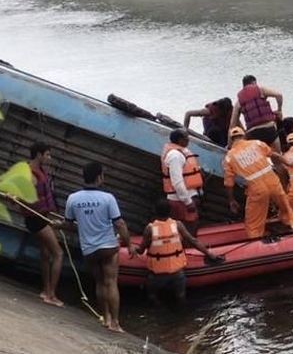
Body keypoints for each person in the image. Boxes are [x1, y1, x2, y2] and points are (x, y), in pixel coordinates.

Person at [59, 162, 135, 333]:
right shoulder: (108, 198)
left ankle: (106, 318)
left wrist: (58, 225)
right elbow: (120, 224)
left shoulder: (73, 198)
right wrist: (129, 245)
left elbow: (69, 225)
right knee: (111, 283)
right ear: (99, 177)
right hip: (108, 247)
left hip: (89, 249)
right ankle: (115, 322)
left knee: (100, 283)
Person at [134, 199, 222, 305]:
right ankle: (182, 316)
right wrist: (209, 253)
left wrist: (133, 249)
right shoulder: (177, 225)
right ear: (170, 211)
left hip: (157, 275)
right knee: (181, 297)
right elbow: (193, 241)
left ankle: (158, 311)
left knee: (152, 296)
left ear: (155, 211)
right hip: (177, 273)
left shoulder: (150, 229)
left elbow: (141, 249)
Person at [223, 127, 293, 238]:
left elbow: (229, 183)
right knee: (285, 207)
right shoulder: (256, 143)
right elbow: (274, 154)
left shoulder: (229, 157)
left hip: (256, 188)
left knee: (253, 221)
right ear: (244, 136)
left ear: (231, 139)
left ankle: (255, 239)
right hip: (273, 181)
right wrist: (288, 162)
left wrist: (231, 200)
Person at [25, 142, 64, 307]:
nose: (49, 158)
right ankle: (51, 295)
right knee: (58, 254)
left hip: (43, 216)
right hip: (36, 219)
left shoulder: (41, 171)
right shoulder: (28, 172)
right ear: (39, 155)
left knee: (46, 254)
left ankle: (46, 290)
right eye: (47, 154)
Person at [161, 129, 203, 236]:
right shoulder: (175, 155)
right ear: (180, 140)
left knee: (191, 229)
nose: (188, 140)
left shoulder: (181, 152)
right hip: (181, 200)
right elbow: (177, 182)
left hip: (186, 197)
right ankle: (186, 250)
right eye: (186, 138)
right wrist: (188, 202)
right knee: (189, 231)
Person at [230, 75, 284, 152]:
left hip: (253, 133)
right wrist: (279, 110)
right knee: (278, 157)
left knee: (259, 158)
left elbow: (232, 124)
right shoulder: (261, 90)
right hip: (269, 129)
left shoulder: (238, 102)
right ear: (254, 82)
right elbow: (279, 95)